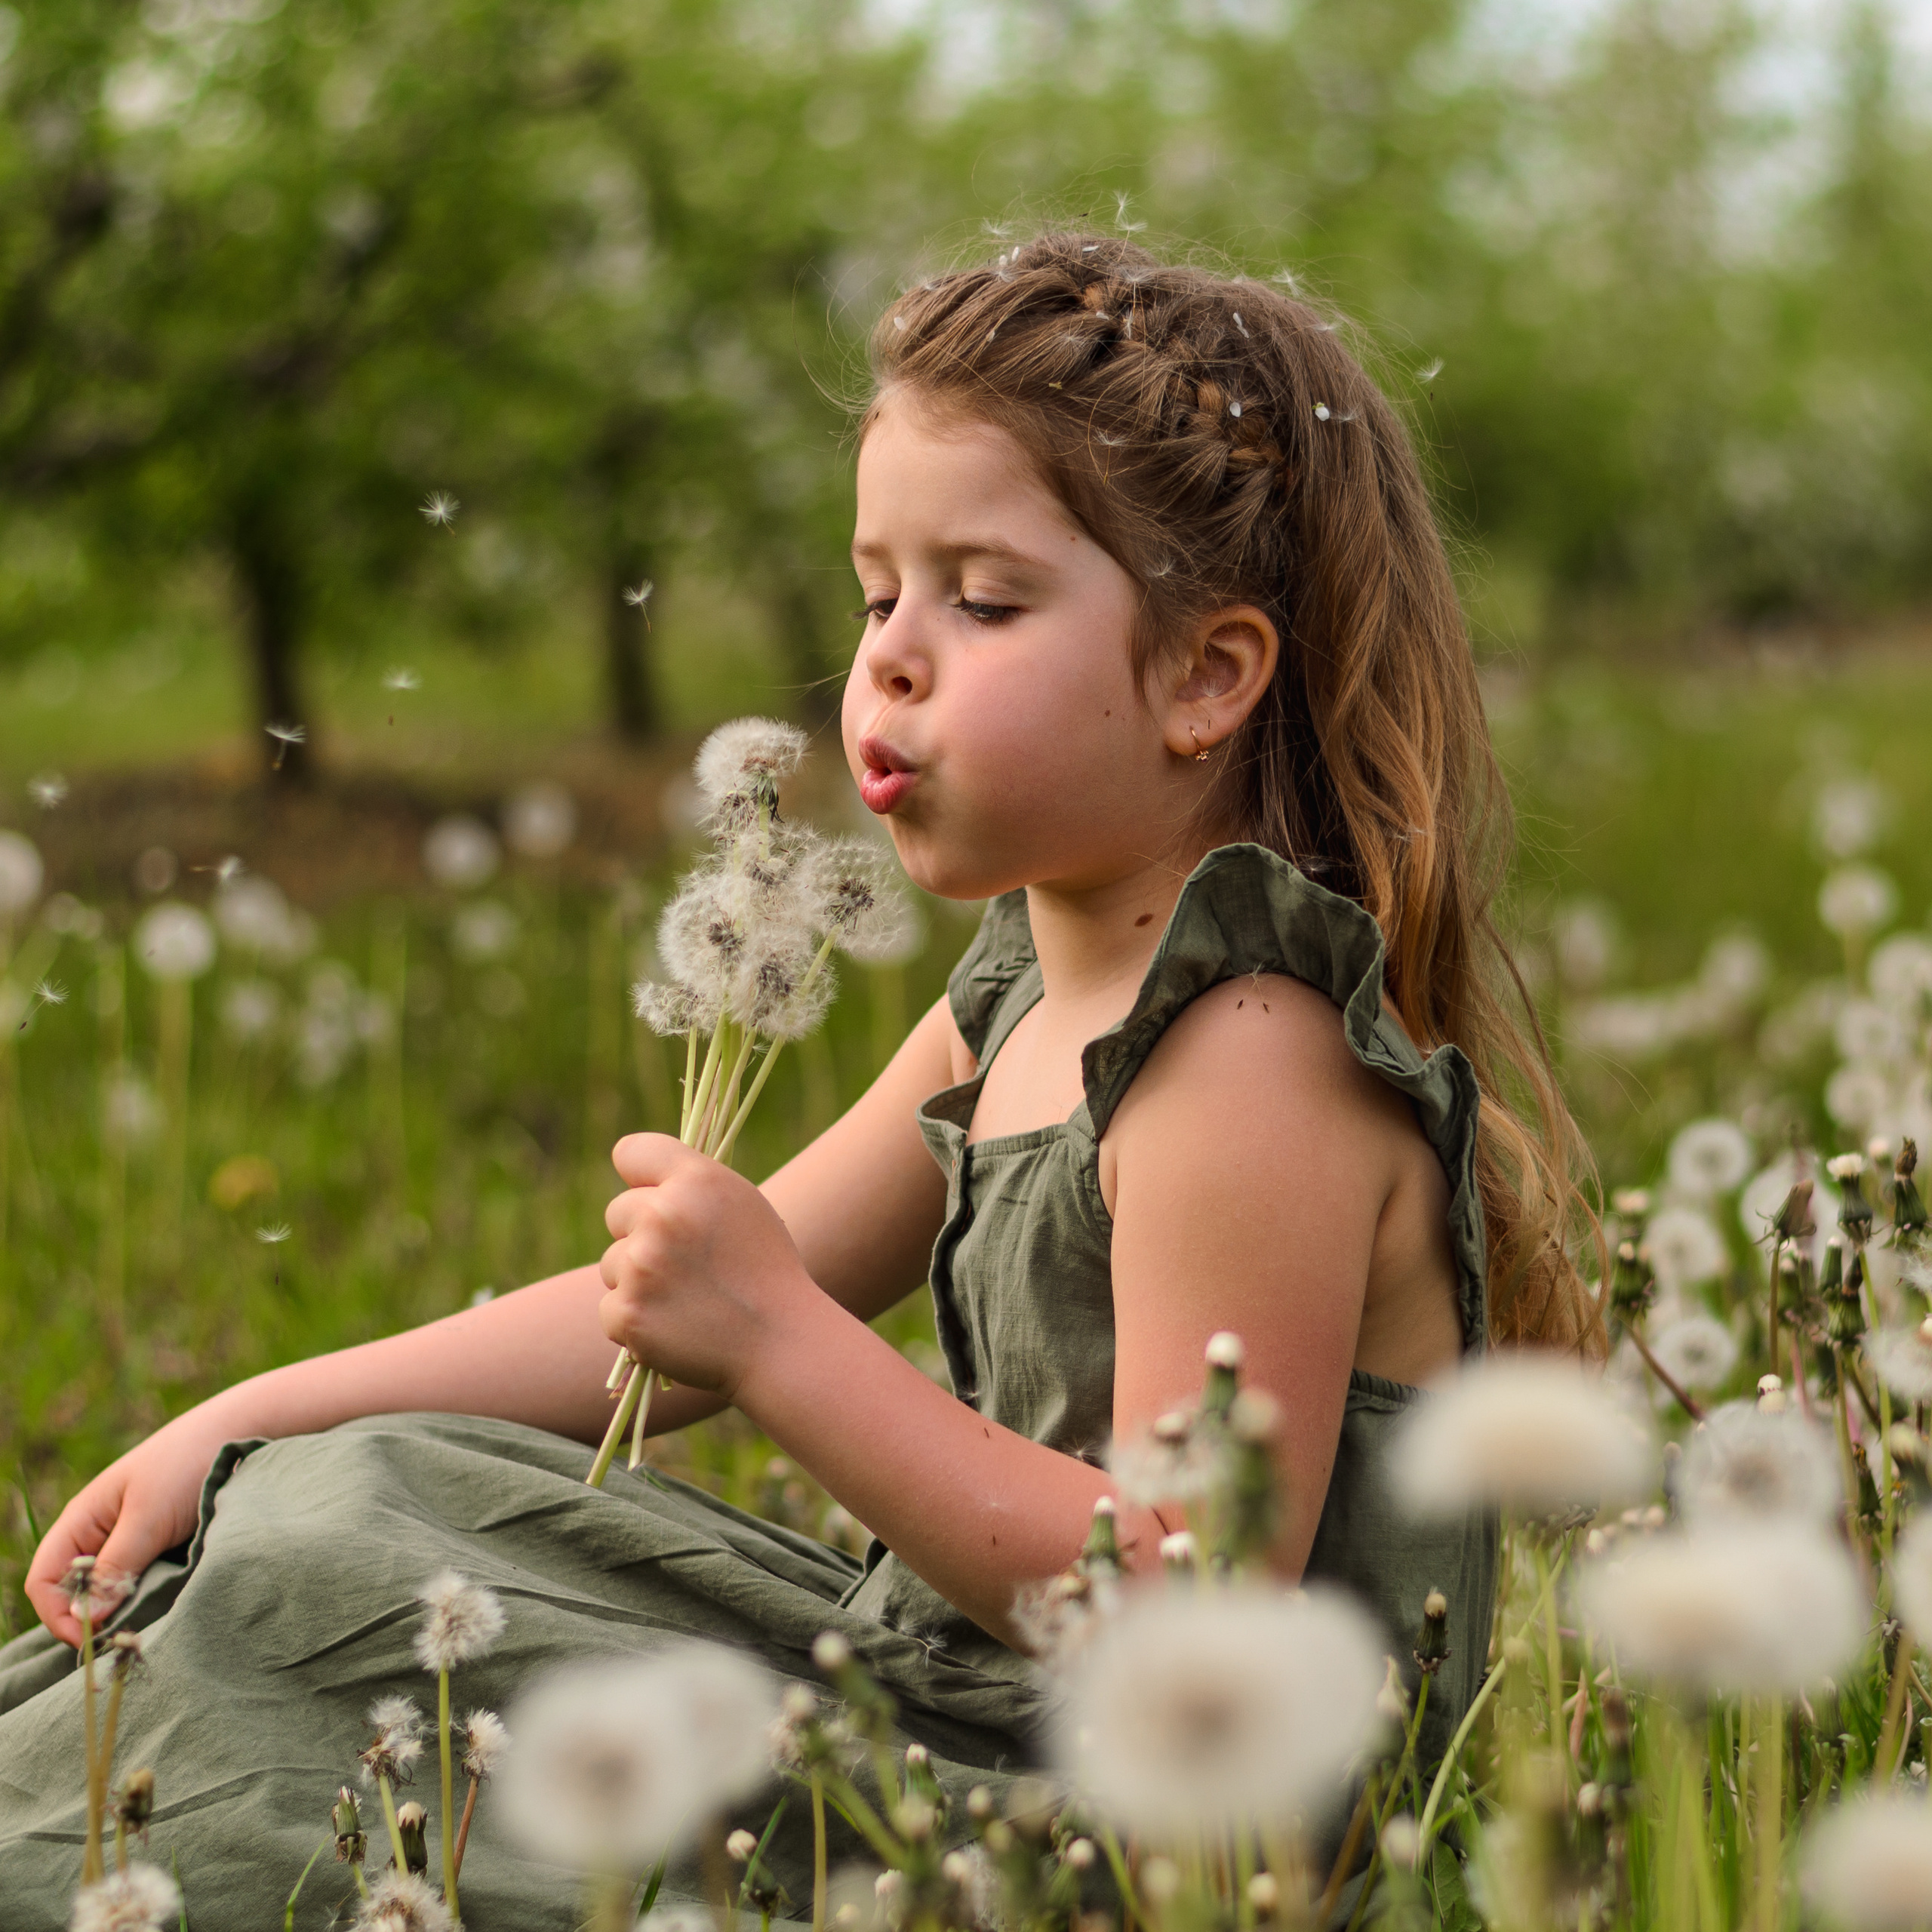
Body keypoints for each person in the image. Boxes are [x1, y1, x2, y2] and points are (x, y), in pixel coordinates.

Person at [0, 233, 1602, 1926]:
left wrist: (774, 1335)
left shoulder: (1244, 1060)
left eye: (979, 600)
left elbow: (1178, 1593)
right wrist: (244, 1414)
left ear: (1205, 676)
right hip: (970, 1710)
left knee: (344, 1600)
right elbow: (648, 1321)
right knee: (328, 1507)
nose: (891, 659)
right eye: (875, 594)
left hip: (1147, 1833)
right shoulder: (1015, 1000)